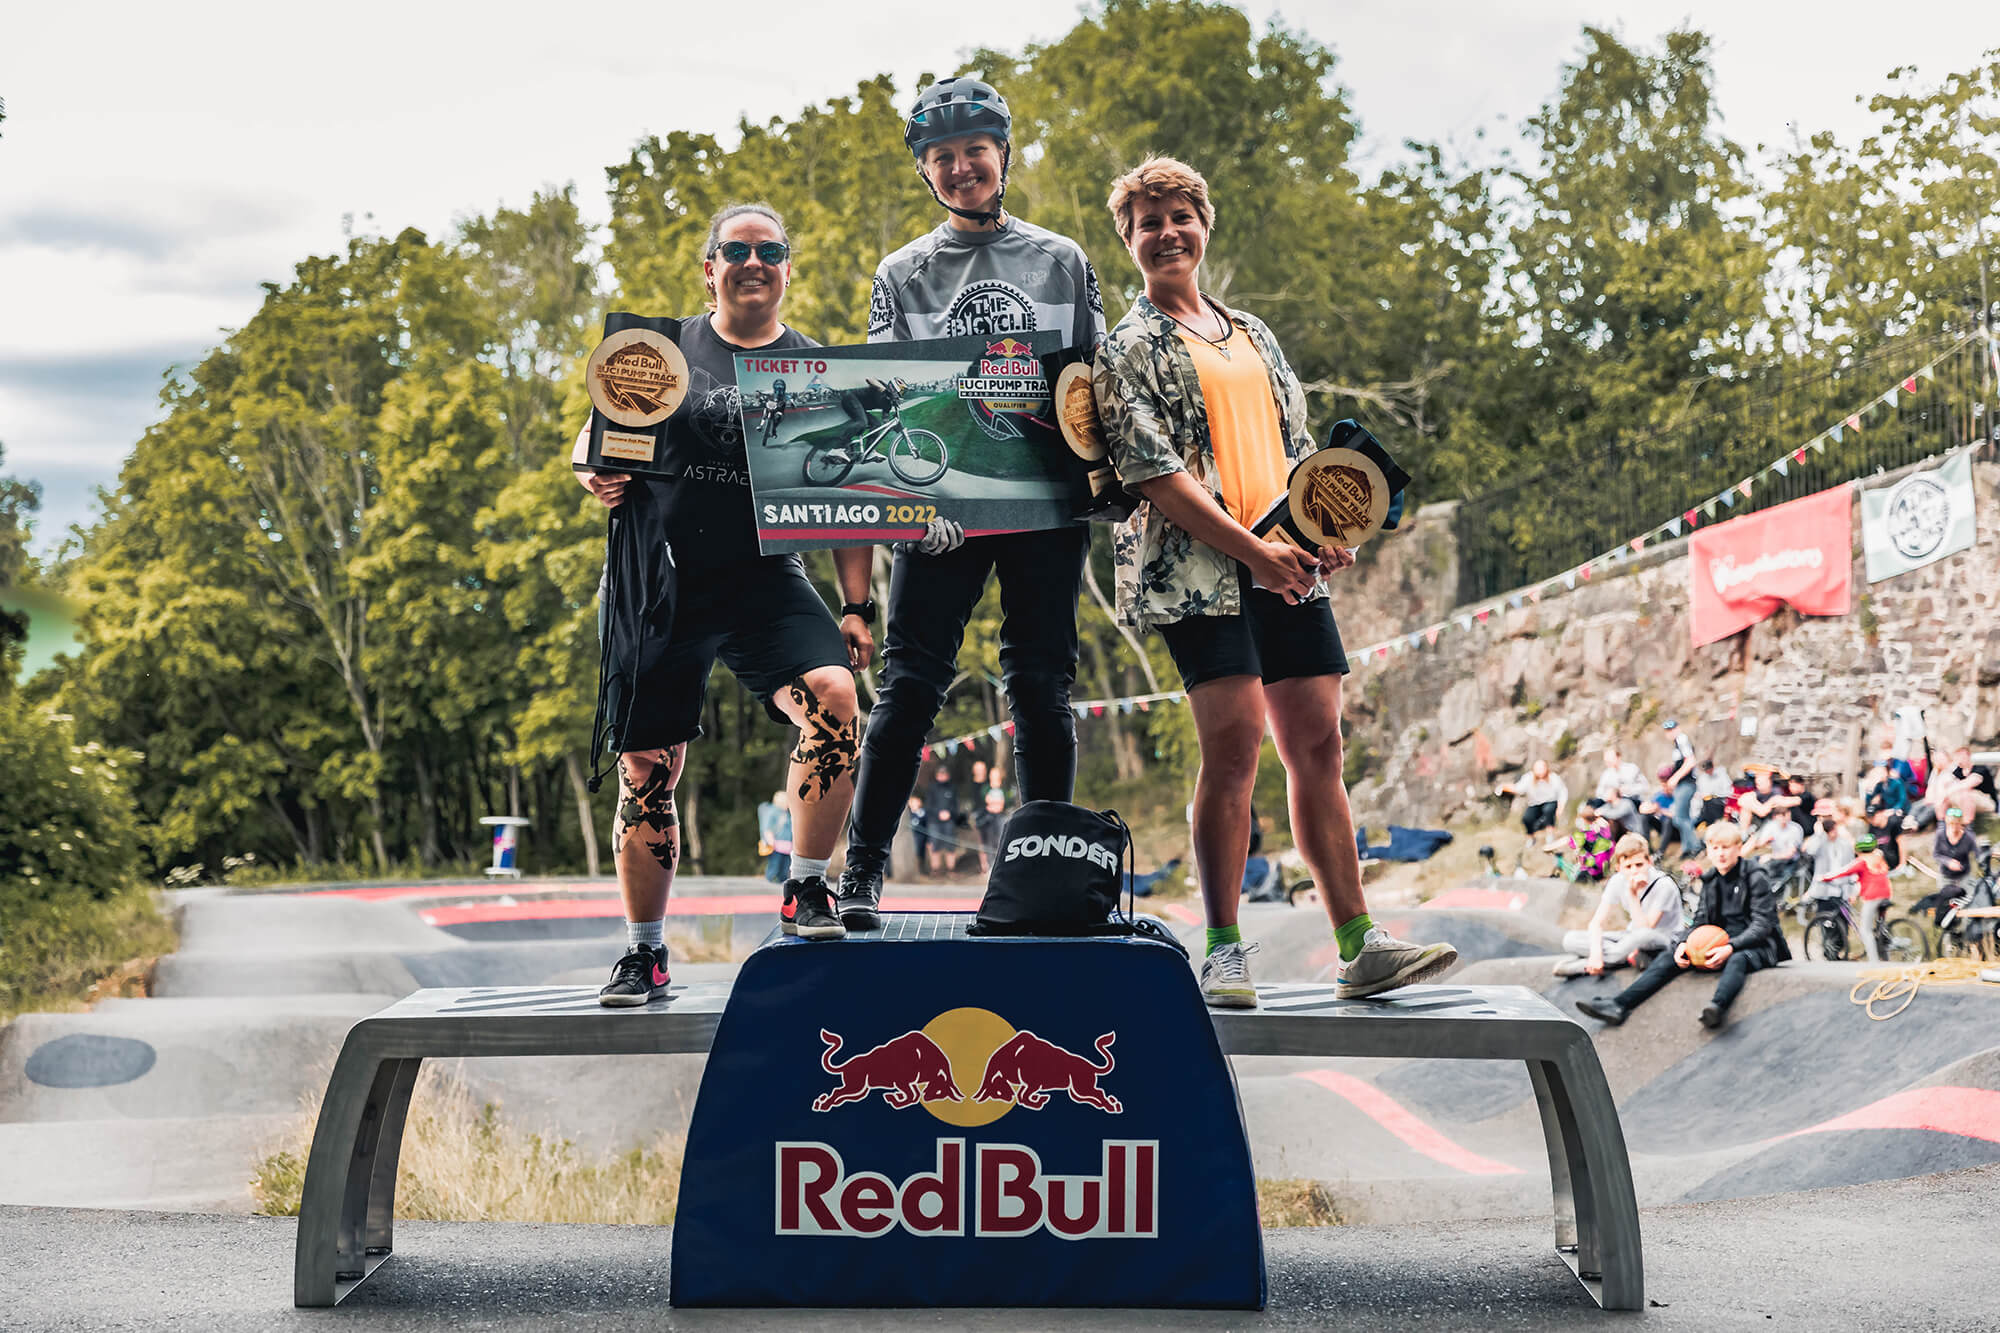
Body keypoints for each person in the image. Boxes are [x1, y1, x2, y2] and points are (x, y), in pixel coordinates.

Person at [1091, 154, 1454, 1006]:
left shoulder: (1252, 331)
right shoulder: (1125, 347)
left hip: (1290, 563)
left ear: (1204, 224)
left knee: (1319, 747)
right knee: (1234, 750)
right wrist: (1254, 554)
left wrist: (1331, 531)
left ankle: (1360, 944)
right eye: (1148, 223)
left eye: (1180, 216)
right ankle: (1221, 947)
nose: (1167, 232)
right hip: (1201, 572)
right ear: (1129, 241)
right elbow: (1151, 474)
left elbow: (1300, 456)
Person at [577, 203, 878, 1006]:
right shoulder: (658, 349)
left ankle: (807, 888)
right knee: (648, 766)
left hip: (764, 580)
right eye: (736, 250)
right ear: (709, 267)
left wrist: (858, 607)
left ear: (788, 267)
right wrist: (597, 476)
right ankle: (644, 953)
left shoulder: (819, 368)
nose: (753, 261)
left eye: (770, 250)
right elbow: (591, 448)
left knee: (837, 697)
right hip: (659, 581)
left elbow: (853, 496)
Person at [835, 75, 1107, 930]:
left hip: (1041, 505)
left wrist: (1105, 487)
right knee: (909, 685)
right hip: (941, 509)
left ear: (1003, 156)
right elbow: (895, 393)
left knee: (1041, 685)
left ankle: (1042, 879)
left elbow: (1090, 391)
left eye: (973, 152)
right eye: (942, 158)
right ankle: (862, 874)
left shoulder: (1062, 257)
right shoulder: (902, 272)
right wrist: (916, 509)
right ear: (925, 171)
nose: (960, 169)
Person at [1577, 821, 1790, 1031]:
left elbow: (1763, 925)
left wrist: (1731, 947)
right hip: (1716, 944)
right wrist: (1683, 943)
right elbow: (1699, 922)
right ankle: (1619, 1004)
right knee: (1672, 955)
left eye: (1726, 847)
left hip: (1756, 946)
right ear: (1708, 850)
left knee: (1737, 959)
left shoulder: (1755, 876)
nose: (1720, 853)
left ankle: (1717, 1008)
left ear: (1737, 848)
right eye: (1715, 848)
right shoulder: (1711, 880)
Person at [1553, 833, 1686, 978]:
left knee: (1641, 936)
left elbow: (1646, 928)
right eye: (1628, 866)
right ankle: (1617, 957)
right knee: (1570, 939)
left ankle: (1581, 966)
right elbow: (1597, 923)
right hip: (1630, 936)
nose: (1634, 871)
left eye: (1639, 865)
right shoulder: (1617, 881)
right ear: (1619, 867)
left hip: (1662, 938)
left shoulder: (1664, 885)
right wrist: (1595, 953)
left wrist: (1632, 895)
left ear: (1649, 862)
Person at [1822, 836, 1894, 961]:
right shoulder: (1879, 857)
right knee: (1879, 927)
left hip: (1872, 896)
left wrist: (1825, 878)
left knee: (1865, 930)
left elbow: (1844, 871)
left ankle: (1874, 961)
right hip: (1886, 893)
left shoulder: (1861, 861)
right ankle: (1884, 953)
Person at [1495, 759, 1567, 869]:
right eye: (1538, 768)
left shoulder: (1553, 778)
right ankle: (1531, 838)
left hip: (1551, 801)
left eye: (1542, 767)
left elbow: (1563, 792)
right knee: (1526, 818)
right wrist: (1503, 787)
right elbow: (1518, 789)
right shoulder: (1528, 778)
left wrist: (1561, 807)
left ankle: (1550, 835)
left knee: (1549, 811)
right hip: (1535, 803)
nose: (1540, 771)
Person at [1918, 806, 1981, 926]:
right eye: (1951, 824)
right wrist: (1948, 862)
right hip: (1946, 877)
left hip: (1964, 877)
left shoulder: (1968, 837)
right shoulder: (1940, 835)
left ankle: (1966, 929)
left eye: (1957, 824)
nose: (1954, 827)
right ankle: (1949, 931)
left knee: (1968, 903)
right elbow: (1936, 854)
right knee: (1948, 903)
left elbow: (1978, 855)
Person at [1544, 804, 1616, 882]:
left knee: (1575, 880)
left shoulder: (1585, 833)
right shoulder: (1604, 830)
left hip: (1591, 872)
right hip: (1604, 871)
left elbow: (1567, 840)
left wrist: (1548, 847)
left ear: (1583, 819)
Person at [1662, 720, 1702, 856]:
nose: (1670, 733)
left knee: (1679, 817)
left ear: (1677, 728)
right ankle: (1687, 847)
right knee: (1682, 816)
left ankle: (1695, 846)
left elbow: (1690, 761)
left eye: (1672, 729)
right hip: (1682, 784)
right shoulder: (1677, 743)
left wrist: (1675, 778)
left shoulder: (1682, 739)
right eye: (1667, 730)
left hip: (1686, 783)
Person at [833, 376, 905, 452]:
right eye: (902, 391)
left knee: (877, 424)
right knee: (862, 423)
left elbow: (885, 421)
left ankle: (869, 451)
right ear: (895, 387)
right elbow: (869, 379)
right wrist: (885, 391)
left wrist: (893, 427)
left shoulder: (888, 404)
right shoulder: (883, 386)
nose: (902, 394)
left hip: (859, 406)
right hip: (850, 398)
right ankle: (838, 448)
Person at [1592, 748, 1649, 840]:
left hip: (1633, 802)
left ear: (1618, 757)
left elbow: (1644, 786)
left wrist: (1629, 789)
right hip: (1614, 804)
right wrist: (1607, 795)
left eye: (1610, 759)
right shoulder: (1606, 774)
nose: (1608, 763)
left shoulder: (1631, 769)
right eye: (1606, 761)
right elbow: (1599, 793)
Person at [923, 764, 960, 876]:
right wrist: (938, 813)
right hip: (934, 821)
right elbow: (928, 806)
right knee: (934, 845)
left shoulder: (952, 788)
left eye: (944, 774)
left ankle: (951, 870)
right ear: (936, 775)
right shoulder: (932, 788)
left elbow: (955, 805)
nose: (942, 776)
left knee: (950, 845)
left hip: (949, 821)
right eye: (940, 774)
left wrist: (949, 813)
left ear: (947, 775)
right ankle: (935, 869)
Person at [756, 791, 793, 885]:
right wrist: (770, 841)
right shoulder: (773, 812)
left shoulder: (787, 813)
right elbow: (767, 828)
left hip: (787, 847)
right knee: (774, 867)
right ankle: (769, 886)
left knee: (785, 869)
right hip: (776, 846)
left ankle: (782, 884)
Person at [975, 786, 1009, 875]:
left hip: (998, 826)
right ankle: (989, 867)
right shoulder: (984, 814)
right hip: (988, 831)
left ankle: (999, 868)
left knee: (999, 844)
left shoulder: (1003, 818)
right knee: (988, 845)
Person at [1693, 757, 1732, 828]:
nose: (1707, 771)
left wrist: (1714, 794)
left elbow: (1728, 790)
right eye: (1706, 770)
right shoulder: (1702, 778)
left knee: (1712, 803)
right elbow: (1699, 790)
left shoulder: (1721, 775)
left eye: (1709, 769)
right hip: (1705, 802)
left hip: (1719, 800)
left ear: (1712, 767)